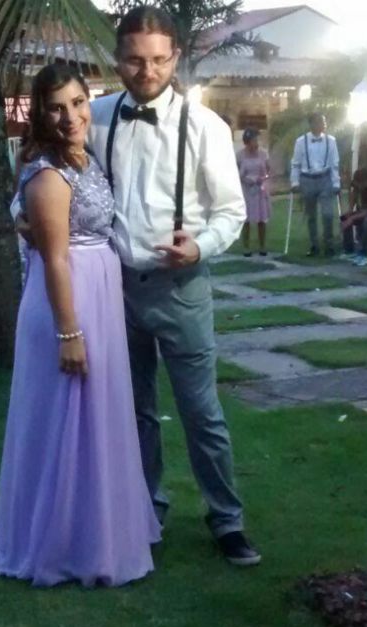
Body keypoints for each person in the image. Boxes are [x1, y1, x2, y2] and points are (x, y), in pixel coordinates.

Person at [87, 7, 260, 566]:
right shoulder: (96, 117)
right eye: (135, 60)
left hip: (181, 287)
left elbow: (231, 212)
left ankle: (227, 519)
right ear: (117, 58)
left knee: (201, 411)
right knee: (133, 410)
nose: (148, 71)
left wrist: (200, 246)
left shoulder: (206, 126)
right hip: (114, 288)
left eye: (159, 60)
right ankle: (145, 509)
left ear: (176, 58)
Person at [0, 63, 160, 588]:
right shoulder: (48, 172)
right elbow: (56, 258)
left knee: (95, 422)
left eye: (78, 103)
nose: (71, 117)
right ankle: (61, 544)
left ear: (90, 101)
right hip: (69, 302)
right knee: (67, 423)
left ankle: (95, 533)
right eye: (56, 108)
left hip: (97, 296)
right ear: (40, 114)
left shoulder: (85, 157)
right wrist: (70, 333)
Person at [290, 112, 340, 257]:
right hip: (307, 179)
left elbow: (334, 163)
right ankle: (314, 246)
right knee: (311, 215)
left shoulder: (331, 141)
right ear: (312, 124)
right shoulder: (301, 141)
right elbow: (296, 163)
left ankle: (329, 245)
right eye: (320, 122)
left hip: (325, 179)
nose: (324, 124)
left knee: (328, 214)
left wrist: (336, 183)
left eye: (324, 122)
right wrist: (295, 181)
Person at [237, 127, 271, 257]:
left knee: (261, 219)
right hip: (246, 190)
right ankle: (246, 246)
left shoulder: (263, 154)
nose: (256, 142)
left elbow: (268, 171)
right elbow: (235, 172)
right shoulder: (239, 155)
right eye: (254, 140)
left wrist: (262, 178)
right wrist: (245, 179)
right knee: (246, 219)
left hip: (259, 189)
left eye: (257, 140)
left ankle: (262, 246)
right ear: (247, 141)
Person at [340, 173, 367, 267]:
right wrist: (350, 212)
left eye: (359, 185)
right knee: (345, 218)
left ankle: (363, 255)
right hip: (366, 210)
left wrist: (352, 218)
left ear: (366, 182)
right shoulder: (358, 185)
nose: (358, 188)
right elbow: (354, 194)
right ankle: (349, 251)